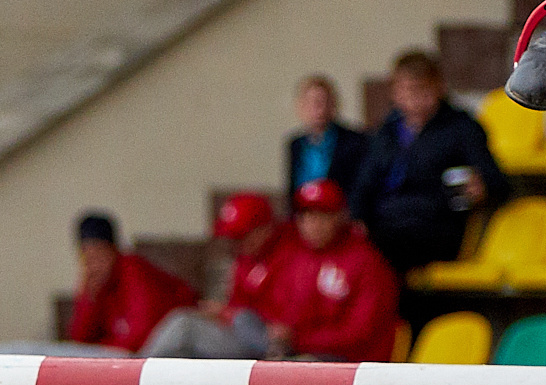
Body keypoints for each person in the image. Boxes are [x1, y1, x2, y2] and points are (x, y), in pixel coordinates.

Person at [348, 50, 510, 272]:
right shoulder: (386, 133)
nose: (414, 97)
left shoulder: (462, 128)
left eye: (421, 88)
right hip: (386, 222)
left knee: (379, 250)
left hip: (435, 226)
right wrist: (357, 217)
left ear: (439, 87)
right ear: (395, 92)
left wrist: (482, 186)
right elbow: (364, 183)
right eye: (407, 89)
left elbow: (496, 181)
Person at [139, 193, 296, 361]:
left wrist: (227, 312)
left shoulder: (291, 256)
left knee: (184, 325)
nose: (235, 243)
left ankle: (135, 371)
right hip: (243, 331)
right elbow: (238, 307)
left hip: (268, 342)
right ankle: (137, 368)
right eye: (233, 237)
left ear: (265, 229)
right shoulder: (246, 260)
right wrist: (221, 313)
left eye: (241, 235)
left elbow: (284, 324)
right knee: (183, 350)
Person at [264, 180, 399, 361]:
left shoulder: (366, 261)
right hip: (303, 350)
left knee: (287, 367)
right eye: (307, 216)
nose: (314, 224)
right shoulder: (297, 257)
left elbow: (360, 333)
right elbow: (282, 312)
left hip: (353, 362)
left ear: (341, 216)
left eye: (323, 216)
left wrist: (298, 339)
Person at [63, 211, 198, 353]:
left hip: (162, 345)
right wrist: (89, 299)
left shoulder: (133, 270)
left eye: (99, 252)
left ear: (113, 250)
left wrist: (104, 348)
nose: (94, 263)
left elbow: (139, 336)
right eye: (87, 256)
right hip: (123, 353)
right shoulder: (94, 283)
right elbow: (79, 341)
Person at [285, 73, 367, 191]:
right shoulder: (295, 144)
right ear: (301, 106)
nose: (318, 108)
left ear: (333, 104)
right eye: (311, 102)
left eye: (323, 101)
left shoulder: (354, 141)